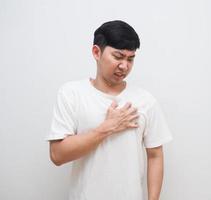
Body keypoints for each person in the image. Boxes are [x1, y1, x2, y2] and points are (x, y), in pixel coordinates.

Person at [45, 20, 172, 200]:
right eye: (118, 56)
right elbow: (57, 155)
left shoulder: (145, 101)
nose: (124, 66)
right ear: (96, 52)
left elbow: (155, 155)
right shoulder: (71, 94)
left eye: (130, 58)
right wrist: (108, 127)